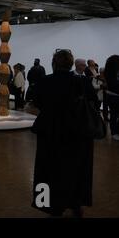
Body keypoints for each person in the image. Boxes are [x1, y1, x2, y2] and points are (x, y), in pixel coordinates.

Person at [32, 49, 96, 217]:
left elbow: (37, 102)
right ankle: (75, 203)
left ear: (55, 63)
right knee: (76, 170)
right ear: (71, 64)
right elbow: (93, 102)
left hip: (50, 132)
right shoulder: (82, 83)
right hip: (76, 134)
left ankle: (46, 203)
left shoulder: (45, 82)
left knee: (46, 169)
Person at [105, 55, 119, 141]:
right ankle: (114, 133)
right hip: (113, 96)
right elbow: (113, 86)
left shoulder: (112, 72)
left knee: (114, 115)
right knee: (114, 115)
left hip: (113, 96)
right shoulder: (111, 73)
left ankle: (115, 131)